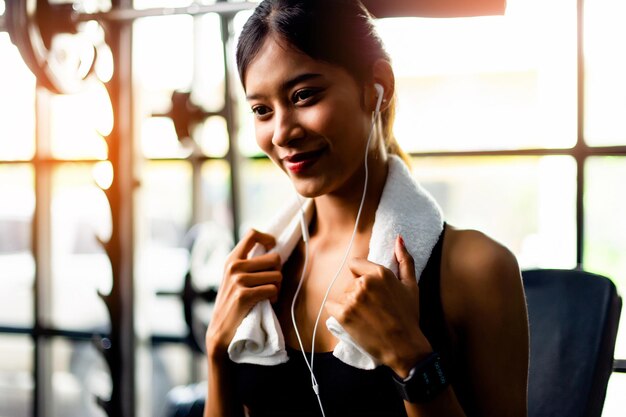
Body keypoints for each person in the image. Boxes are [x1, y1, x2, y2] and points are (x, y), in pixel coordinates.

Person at [204, 0, 529, 416]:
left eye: (304, 95)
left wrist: (411, 358)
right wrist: (216, 350)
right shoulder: (261, 272)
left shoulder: (476, 268)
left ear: (378, 85)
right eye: (262, 110)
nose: (282, 133)